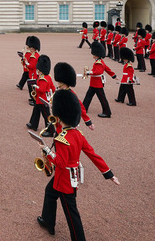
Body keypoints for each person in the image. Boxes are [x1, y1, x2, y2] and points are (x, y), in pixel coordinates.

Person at [36, 89, 120, 238]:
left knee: (72, 215)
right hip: (68, 176)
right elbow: (93, 154)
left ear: (60, 118)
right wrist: (108, 173)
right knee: (49, 192)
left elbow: (60, 163)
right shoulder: (78, 134)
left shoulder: (62, 138)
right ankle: (48, 221)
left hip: (64, 181)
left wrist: (47, 150)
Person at [54, 62, 94, 131]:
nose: (58, 84)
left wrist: (88, 122)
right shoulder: (58, 91)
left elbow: (80, 107)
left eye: (59, 83)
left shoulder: (71, 94)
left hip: (67, 123)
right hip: (59, 123)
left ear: (64, 83)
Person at [83, 41, 116, 118]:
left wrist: (89, 73)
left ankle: (107, 112)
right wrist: (113, 75)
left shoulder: (99, 63)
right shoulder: (100, 61)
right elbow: (107, 69)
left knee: (102, 98)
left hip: (97, 83)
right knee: (88, 96)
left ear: (96, 54)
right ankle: (84, 108)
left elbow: (98, 72)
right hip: (94, 83)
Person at [28, 55, 55, 136]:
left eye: (38, 70)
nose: (37, 72)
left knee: (46, 115)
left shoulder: (43, 79)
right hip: (40, 99)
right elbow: (52, 86)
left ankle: (51, 130)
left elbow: (41, 90)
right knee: (36, 111)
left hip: (42, 100)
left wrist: (35, 86)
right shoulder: (48, 77)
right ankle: (33, 124)